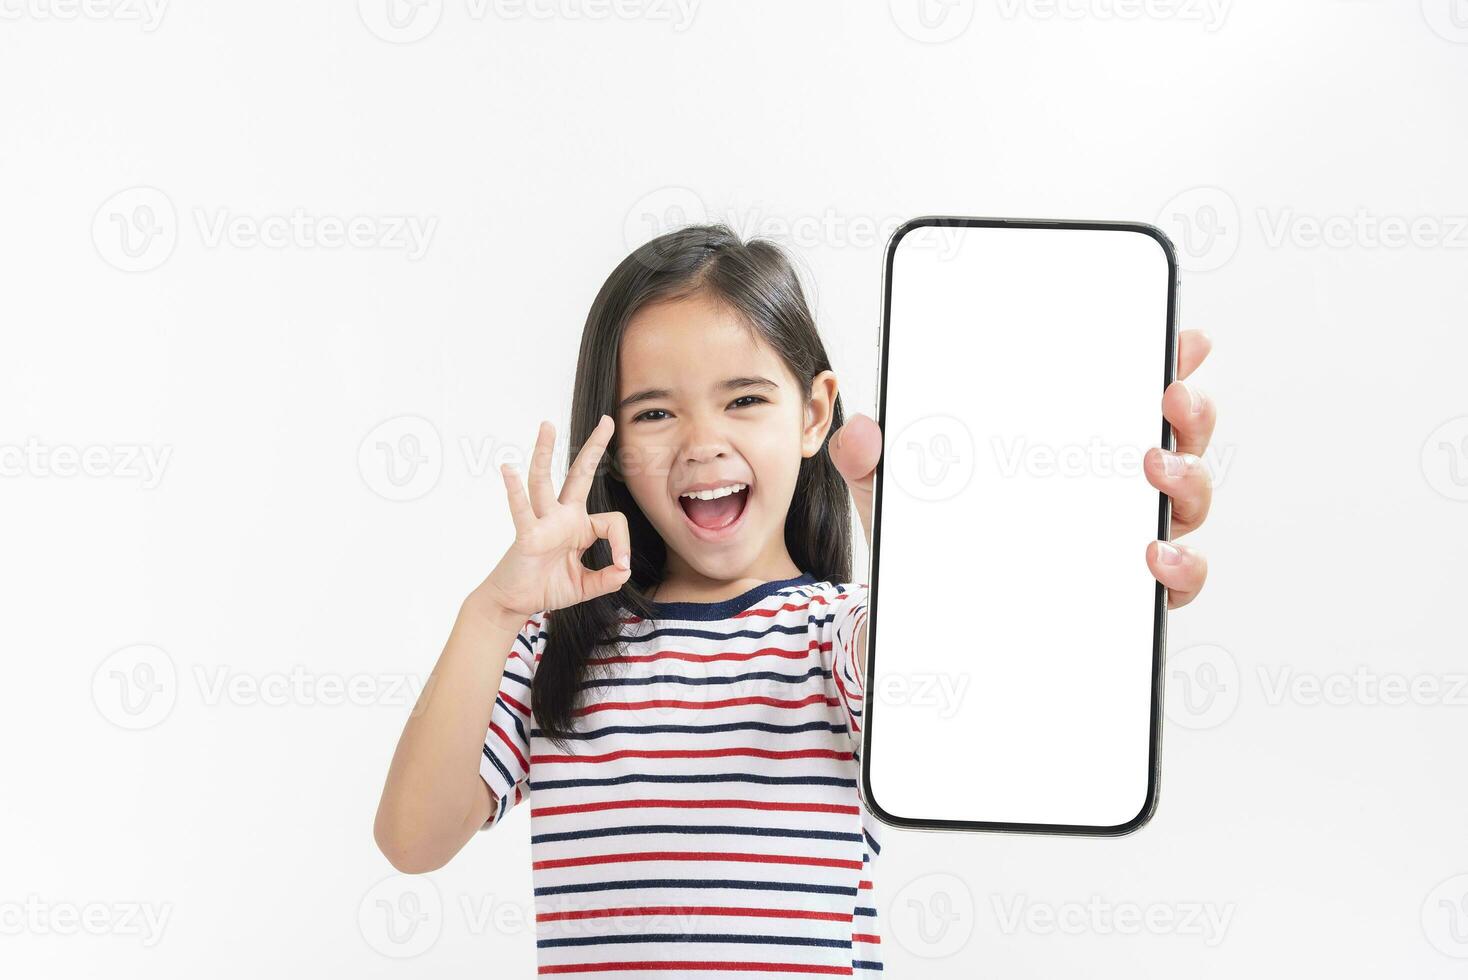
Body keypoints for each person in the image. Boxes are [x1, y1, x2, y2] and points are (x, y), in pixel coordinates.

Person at [373, 224, 1215, 976]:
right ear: (615, 446)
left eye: (744, 399)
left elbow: (957, 671)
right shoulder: (553, 650)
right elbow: (412, 840)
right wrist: (493, 613)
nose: (705, 442)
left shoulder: (832, 634)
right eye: (656, 412)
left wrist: (1040, 559)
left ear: (814, 414)